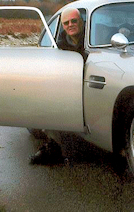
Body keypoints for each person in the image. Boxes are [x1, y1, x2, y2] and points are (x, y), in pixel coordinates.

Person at [29, 8, 85, 165]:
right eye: (66, 23)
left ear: (81, 22)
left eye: (74, 21)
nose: (70, 25)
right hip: (68, 85)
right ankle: (53, 147)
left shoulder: (93, 36)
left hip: (88, 83)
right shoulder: (58, 45)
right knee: (49, 105)